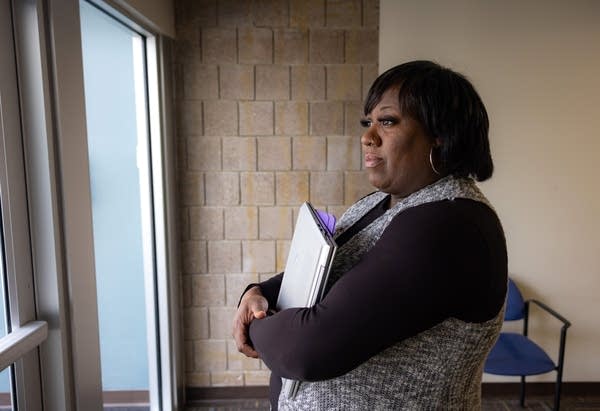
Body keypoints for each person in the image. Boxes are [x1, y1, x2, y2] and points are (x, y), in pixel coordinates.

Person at [232, 60, 508, 410]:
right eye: (368, 122)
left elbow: (308, 348)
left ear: (441, 133)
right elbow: (326, 272)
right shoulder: (380, 202)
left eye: (387, 122)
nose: (367, 136)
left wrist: (252, 324)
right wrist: (256, 293)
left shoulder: (448, 225)